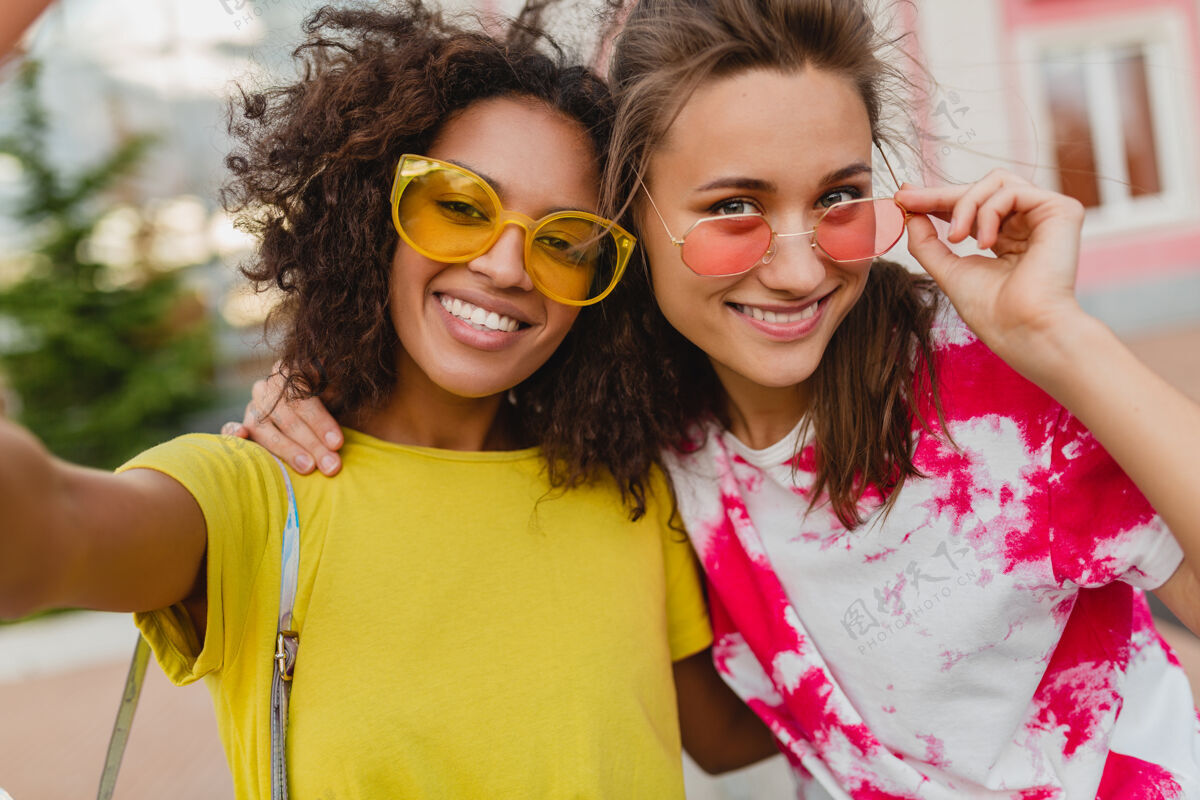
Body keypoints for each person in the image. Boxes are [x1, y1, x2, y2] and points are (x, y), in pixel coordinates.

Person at [247, 0, 1200, 796]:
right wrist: (323, 373)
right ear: (633, 216)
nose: (797, 267)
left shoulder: (979, 384)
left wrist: (1058, 341)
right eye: (733, 207)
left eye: (839, 197)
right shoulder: (640, 426)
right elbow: (728, 735)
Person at [0, 3, 777, 798]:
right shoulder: (259, 493)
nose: (507, 267)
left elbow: (729, 735)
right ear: (374, 212)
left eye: (565, 241)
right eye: (460, 206)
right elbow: (39, 533)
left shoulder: (625, 487)